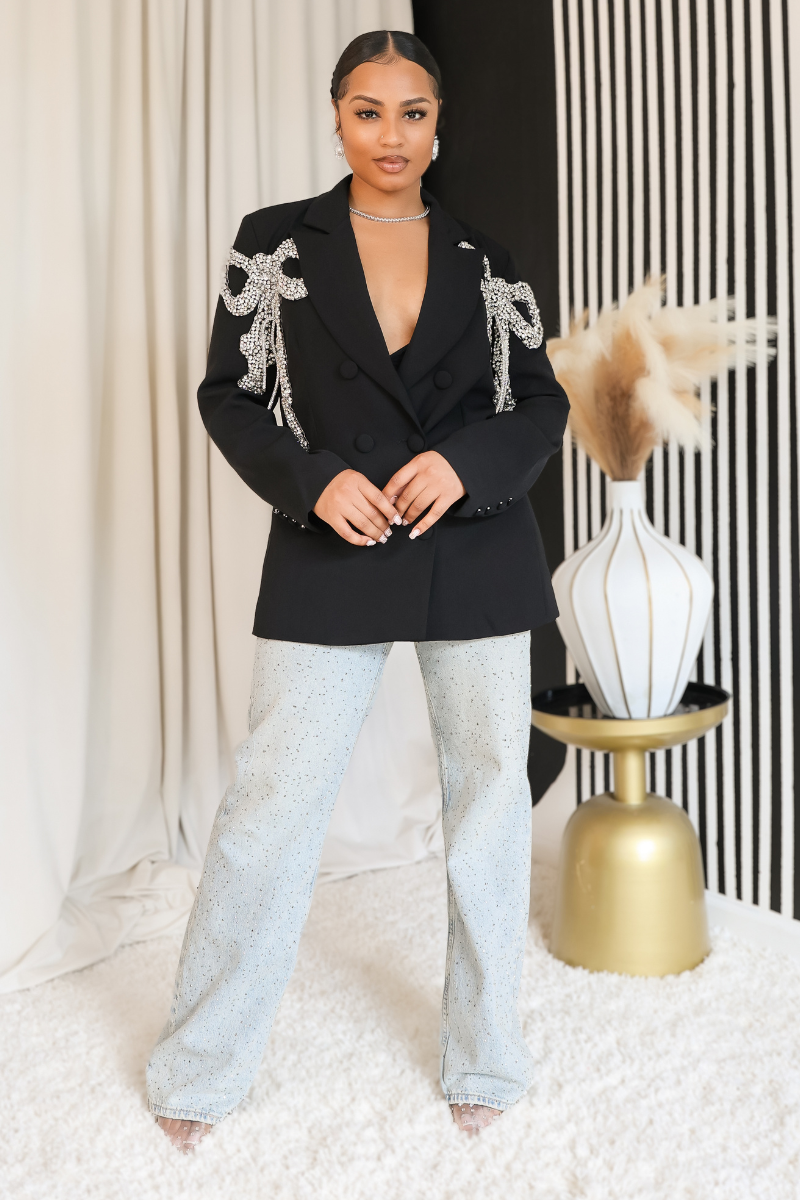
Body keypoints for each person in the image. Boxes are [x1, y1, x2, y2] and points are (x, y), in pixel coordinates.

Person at [147, 29, 569, 1152]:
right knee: (271, 804)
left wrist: (464, 465)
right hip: (331, 539)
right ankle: (200, 1064)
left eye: (412, 112)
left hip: (474, 549)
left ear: (439, 123)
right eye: (369, 111)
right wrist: (314, 479)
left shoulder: (488, 256)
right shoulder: (273, 242)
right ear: (336, 116)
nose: (392, 135)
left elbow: (540, 402)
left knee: (489, 808)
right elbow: (228, 394)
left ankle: (485, 1054)